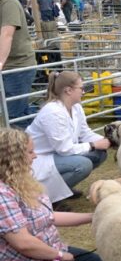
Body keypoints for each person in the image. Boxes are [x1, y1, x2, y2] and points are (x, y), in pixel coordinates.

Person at [0, 128, 111, 261]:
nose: (35, 156)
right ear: (12, 158)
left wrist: (94, 216)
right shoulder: (2, 195)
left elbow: (49, 216)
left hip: (48, 252)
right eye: (30, 152)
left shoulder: (22, 182)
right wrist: (59, 255)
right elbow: (23, 243)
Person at [26, 72, 110, 206]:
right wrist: (94, 144)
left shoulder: (75, 107)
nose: (84, 91)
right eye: (81, 88)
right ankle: (47, 198)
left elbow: (84, 132)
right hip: (38, 158)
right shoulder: (53, 112)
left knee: (100, 154)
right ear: (68, 90)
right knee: (83, 164)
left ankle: (63, 189)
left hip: (56, 155)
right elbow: (64, 149)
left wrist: (108, 141)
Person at [0, 0, 37, 127]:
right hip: (8, 66)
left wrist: (0, 63)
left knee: (14, 115)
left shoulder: (8, 3)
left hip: (18, 66)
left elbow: (6, 35)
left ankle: (22, 147)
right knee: (18, 111)